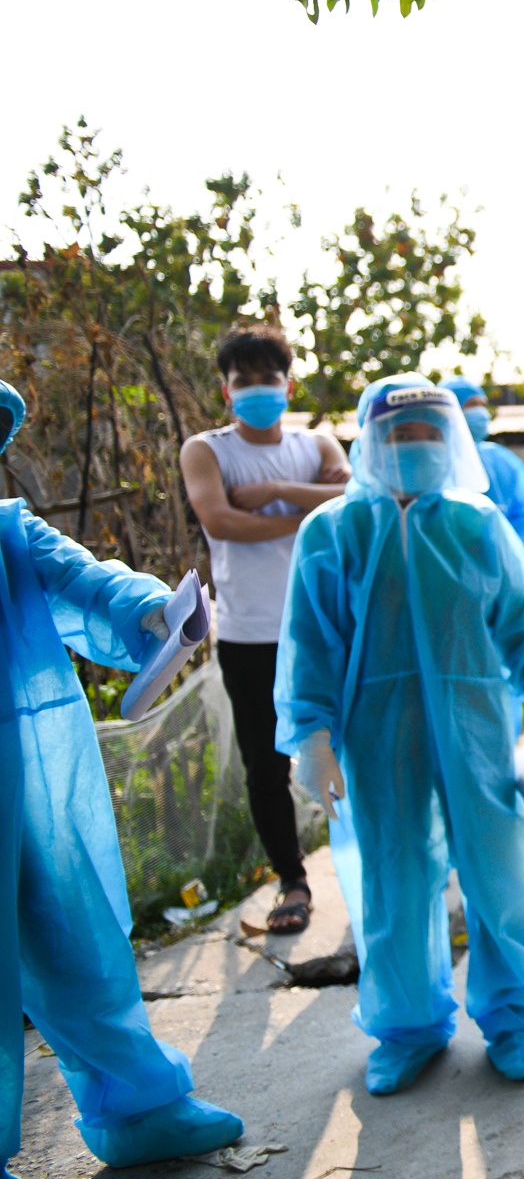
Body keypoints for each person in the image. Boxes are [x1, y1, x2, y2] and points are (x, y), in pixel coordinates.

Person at [276, 376, 524, 1096]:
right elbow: (310, 641)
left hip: (477, 729)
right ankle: (406, 1026)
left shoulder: (477, 523)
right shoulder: (334, 531)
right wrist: (310, 736)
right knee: (394, 879)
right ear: (369, 440)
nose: (412, 446)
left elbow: (517, 621)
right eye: (398, 434)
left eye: (428, 433)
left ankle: (521, 1019)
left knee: (499, 873)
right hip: (375, 737)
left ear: (451, 441)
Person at [0, 380, 246, 1172]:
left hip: (24, 777)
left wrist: (154, 613)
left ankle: (137, 1109)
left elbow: (89, 581)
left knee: (71, 936)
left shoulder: (7, 534)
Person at [180, 324, 350, 933]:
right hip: (251, 635)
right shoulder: (207, 450)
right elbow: (221, 522)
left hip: (326, 628)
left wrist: (276, 491)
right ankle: (294, 881)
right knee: (265, 765)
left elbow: (353, 500)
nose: (256, 390)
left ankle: (377, 862)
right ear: (226, 392)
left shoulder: (317, 444)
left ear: (289, 385)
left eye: (267, 380)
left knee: (355, 745)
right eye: (242, 381)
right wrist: (310, 511)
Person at [441, 374, 524, 554]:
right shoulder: (434, 460)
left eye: (483, 405)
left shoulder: (499, 458)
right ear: (450, 409)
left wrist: (512, 551)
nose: (481, 413)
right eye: (472, 405)